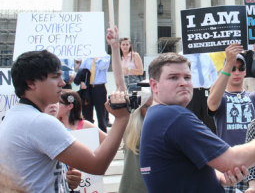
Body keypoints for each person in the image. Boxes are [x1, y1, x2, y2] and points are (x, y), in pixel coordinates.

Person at [0, 26, 130, 192]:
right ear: (31, 83)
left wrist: (65, 180)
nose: (62, 83)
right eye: (55, 77)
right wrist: (121, 118)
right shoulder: (38, 122)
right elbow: (97, 165)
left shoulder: (17, 115)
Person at [139, 52, 255, 192]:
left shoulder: (159, 115)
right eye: (173, 78)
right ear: (154, 85)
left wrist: (219, 176)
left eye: (187, 77)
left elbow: (182, 164)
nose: (183, 83)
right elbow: (233, 160)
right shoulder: (174, 116)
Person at [208, 41, 255, 192]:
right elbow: (212, 103)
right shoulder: (221, 98)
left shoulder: (254, 96)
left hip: (254, 165)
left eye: (241, 68)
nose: (236, 72)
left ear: (245, 71)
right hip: (229, 168)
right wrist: (227, 66)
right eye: (233, 68)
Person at [118, 93, 153, 193]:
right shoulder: (131, 128)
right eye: (146, 106)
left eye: (154, 106)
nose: (150, 110)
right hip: (134, 185)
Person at [184, 52, 218, 133]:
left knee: (210, 119)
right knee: (192, 119)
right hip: (192, 91)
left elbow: (213, 70)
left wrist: (213, 84)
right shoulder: (183, 55)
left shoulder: (206, 56)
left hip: (206, 90)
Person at [78, 55, 111, 132]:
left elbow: (102, 66)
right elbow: (81, 70)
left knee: (101, 114)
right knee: (87, 114)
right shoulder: (87, 56)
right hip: (87, 88)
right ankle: (89, 134)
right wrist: (81, 82)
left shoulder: (105, 57)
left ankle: (103, 135)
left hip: (99, 88)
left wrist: (96, 58)